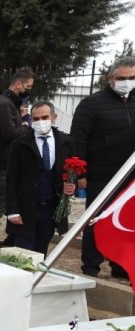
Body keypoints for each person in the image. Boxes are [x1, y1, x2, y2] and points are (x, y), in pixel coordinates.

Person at [71, 55, 135, 278]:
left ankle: (121, 265)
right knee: (96, 218)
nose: (127, 81)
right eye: (122, 78)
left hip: (130, 176)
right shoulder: (92, 104)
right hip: (101, 174)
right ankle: (91, 266)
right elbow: (78, 139)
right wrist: (80, 173)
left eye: (132, 77)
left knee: (126, 220)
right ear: (110, 79)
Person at [6, 102, 76, 255]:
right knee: (22, 253)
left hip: (50, 210)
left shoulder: (66, 142)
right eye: (36, 119)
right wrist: (12, 210)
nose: (40, 122)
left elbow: (72, 172)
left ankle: (36, 278)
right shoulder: (20, 144)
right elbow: (11, 179)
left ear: (53, 117)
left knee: (41, 251)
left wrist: (72, 185)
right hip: (25, 209)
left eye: (44, 117)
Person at [0, 67, 35, 246]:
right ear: (18, 84)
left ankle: (11, 237)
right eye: (28, 85)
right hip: (2, 163)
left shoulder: (11, 104)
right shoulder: (4, 104)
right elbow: (9, 133)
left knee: (10, 203)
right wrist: (26, 127)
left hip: (9, 162)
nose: (29, 89)